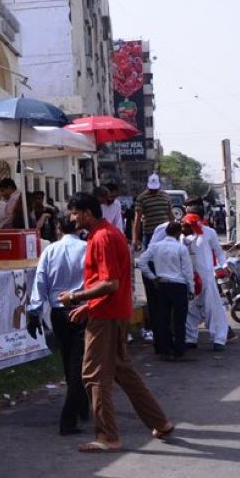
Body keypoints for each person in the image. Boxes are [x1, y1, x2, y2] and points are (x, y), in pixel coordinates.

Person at [58, 191, 174, 453]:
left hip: (107, 317)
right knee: (123, 371)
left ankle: (108, 435)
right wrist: (87, 306)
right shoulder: (106, 234)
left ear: (87, 213)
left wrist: (76, 296)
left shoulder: (103, 237)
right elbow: (109, 283)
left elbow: (110, 283)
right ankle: (161, 422)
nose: (72, 218)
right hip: (110, 312)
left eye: (74, 213)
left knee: (94, 375)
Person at [28, 214, 89, 435]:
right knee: (78, 365)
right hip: (81, 310)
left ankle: (81, 405)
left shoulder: (50, 250)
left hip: (58, 313)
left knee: (69, 361)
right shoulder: (87, 248)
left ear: (58, 228)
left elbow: (40, 281)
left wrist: (34, 312)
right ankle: (69, 418)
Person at [138, 221, 195, 360]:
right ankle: (179, 350)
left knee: (163, 318)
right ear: (177, 233)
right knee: (179, 320)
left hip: (162, 284)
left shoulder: (155, 247)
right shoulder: (181, 248)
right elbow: (187, 270)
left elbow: (141, 262)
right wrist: (191, 288)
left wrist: (152, 277)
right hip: (179, 285)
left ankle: (165, 349)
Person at [183, 212, 230, 351]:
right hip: (189, 277)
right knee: (190, 308)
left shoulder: (209, 232)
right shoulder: (181, 237)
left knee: (212, 309)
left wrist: (224, 266)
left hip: (207, 277)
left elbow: (219, 252)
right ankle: (191, 338)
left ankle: (218, 339)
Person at [132, 173, 172, 250]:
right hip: (149, 234)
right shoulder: (141, 198)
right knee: (149, 259)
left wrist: (174, 233)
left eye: (155, 188)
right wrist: (135, 239)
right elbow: (137, 220)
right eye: (152, 188)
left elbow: (170, 215)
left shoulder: (166, 196)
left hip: (165, 233)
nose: (154, 190)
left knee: (165, 258)